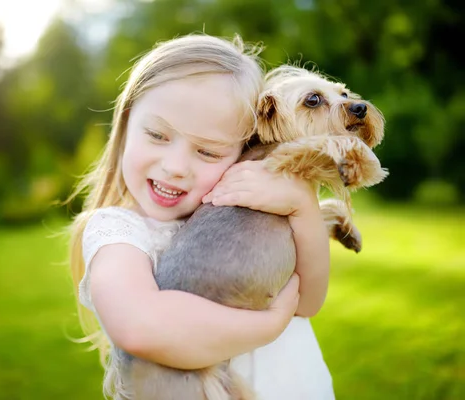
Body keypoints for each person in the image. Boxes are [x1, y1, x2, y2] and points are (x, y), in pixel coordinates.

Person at [66, 33, 334, 399]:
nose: (175, 167)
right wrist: (269, 325)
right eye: (158, 135)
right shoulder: (118, 232)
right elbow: (139, 327)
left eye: (207, 152)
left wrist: (304, 208)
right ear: (127, 122)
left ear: (244, 151)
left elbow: (308, 301)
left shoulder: (249, 213)